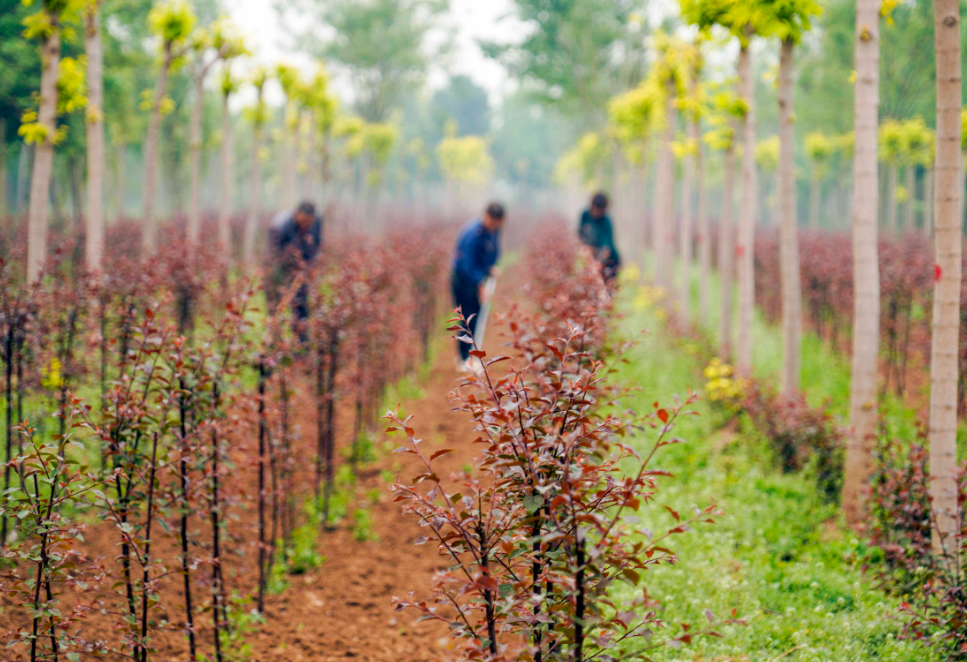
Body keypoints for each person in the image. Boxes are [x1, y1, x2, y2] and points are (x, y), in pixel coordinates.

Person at [451, 202, 505, 369]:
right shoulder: (471, 234)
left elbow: (493, 252)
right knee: (467, 319)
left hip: (479, 278)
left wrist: (491, 267)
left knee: (477, 316)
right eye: (491, 222)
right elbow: (467, 265)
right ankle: (463, 359)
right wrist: (479, 284)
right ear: (486, 215)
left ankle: (470, 357)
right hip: (463, 280)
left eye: (497, 223)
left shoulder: (494, 230)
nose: (494, 226)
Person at [270, 200, 323, 327]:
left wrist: (309, 265)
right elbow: (275, 254)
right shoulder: (280, 226)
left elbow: (316, 243)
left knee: (301, 302)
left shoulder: (317, 220)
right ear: (297, 214)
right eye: (304, 221)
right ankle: (275, 332)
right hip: (283, 266)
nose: (306, 225)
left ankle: (301, 337)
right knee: (277, 302)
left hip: (303, 266)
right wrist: (290, 271)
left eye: (309, 222)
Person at [578, 192, 621, 285]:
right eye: (595, 210)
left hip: (609, 261)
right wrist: (586, 250)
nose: (596, 213)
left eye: (599, 211)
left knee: (606, 288)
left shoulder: (606, 221)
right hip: (590, 258)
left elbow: (607, 246)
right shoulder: (585, 215)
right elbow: (580, 235)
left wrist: (599, 262)